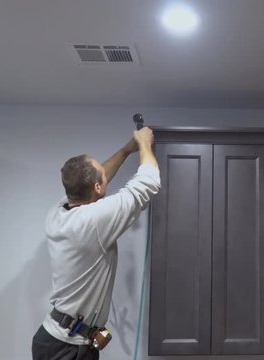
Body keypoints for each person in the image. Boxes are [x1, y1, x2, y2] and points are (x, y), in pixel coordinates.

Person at [31, 127, 161, 360]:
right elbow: (149, 182)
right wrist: (144, 144)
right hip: (66, 348)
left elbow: (98, 179)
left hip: (64, 340)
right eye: (101, 175)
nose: (105, 173)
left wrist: (126, 150)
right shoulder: (92, 222)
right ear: (97, 189)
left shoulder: (60, 211)